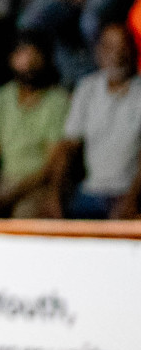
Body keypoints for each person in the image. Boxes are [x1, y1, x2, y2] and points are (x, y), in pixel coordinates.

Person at [0, 36, 70, 219]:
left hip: (39, 186)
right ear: (11, 59)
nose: (29, 62)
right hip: (4, 182)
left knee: (24, 219)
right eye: (22, 54)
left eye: (35, 55)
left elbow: (51, 166)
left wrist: (1, 201)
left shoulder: (58, 101)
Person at [49, 23, 141, 220]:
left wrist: (131, 202)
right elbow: (69, 146)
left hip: (130, 192)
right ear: (98, 52)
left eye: (123, 47)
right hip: (90, 192)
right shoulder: (87, 89)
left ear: (134, 50)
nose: (117, 54)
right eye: (110, 47)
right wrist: (54, 194)